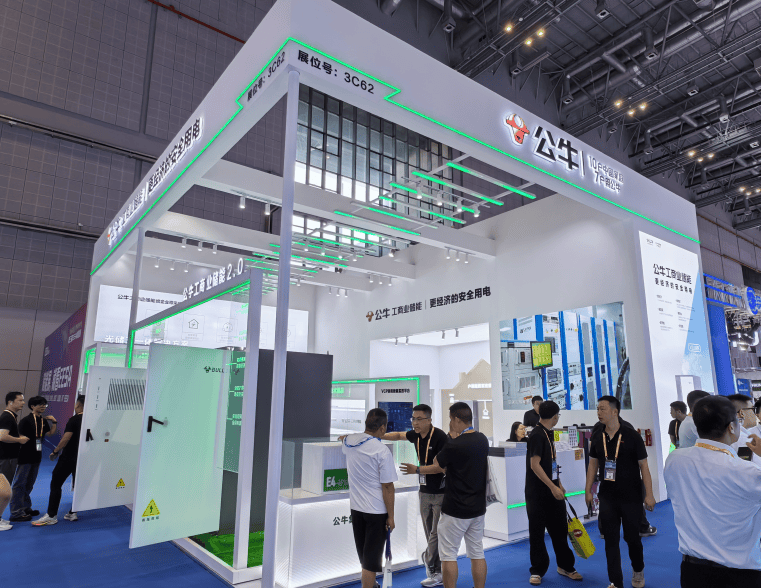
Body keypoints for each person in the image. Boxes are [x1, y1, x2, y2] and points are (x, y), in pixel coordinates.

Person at [664, 395, 761, 587]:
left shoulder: (675, 460)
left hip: (693, 570)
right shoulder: (746, 472)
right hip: (740, 574)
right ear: (732, 427)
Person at [586, 396, 655, 588]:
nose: (599, 413)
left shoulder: (631, 435)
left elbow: (644, 466)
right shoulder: (597, 435)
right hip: (607, 496)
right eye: (597, 409)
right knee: (610, 540)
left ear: (615, 411)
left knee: (632, 538)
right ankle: (615, 581)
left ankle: (638, 570)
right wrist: (588, 489)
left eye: (602, 409)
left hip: (631, 496)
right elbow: (592, 464)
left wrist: (649, 494)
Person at [382, 404, 447, 587]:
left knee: (437, 532)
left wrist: (417, 469)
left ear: (429, 420)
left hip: (441, 492)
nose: (415, 423)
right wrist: (377, 435)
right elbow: (398, 435)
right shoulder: (416, 435)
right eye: (413, 419)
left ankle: (429, 559)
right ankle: (436, 571)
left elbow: (441, 467)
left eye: (419, 419)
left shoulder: (440, 437)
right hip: (424, 492)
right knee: (429, 531)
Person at [433, 402, 489, 588]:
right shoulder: (482, 439)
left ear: (456, 419)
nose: (450, 423)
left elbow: (437, 463)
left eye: (451, 420)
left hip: (455, 509)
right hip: (478, 508)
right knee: (477, 552)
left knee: (448, 555)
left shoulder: (454, 444)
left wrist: (450, 439)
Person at [525, 401, 582, 585]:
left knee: (560, 530)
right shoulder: (537, 435)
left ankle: (565, 566)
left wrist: (559, 484)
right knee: (537, 533)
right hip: (537, 494)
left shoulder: (548, 433)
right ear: (555, 416)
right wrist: (552, 486)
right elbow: (535, 465)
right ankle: (537, 570)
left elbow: (551, 463)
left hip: (553, 490)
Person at [342, 408, 397, 588]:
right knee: (370, 562)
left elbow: (344, 438)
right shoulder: (382, 451)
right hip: (376, 512)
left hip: (356, 510)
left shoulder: (349, 442)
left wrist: (343, 437)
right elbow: (388, 487)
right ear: (382, 427)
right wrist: (391, 516)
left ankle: (372, 585)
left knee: (365, 557)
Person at [592, 415, 656, 538]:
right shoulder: (627, 427)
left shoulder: (598, 427)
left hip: (608, 473)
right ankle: (642, 527)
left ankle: (605, 530)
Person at [33, 395, 85, 526]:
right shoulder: (90, 420)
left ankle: (51, 515)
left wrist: (56, 451)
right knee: (78, 486)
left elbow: (66, 438)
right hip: (84, 458)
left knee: (56, 483)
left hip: (69, 457)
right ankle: (73, 512)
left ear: (78, 405)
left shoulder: (74, 419)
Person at [9, 396, 57, 521]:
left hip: (37, 456)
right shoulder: (26, 420)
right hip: (25, 455)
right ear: (32, 406)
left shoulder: (43, 421)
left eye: (44, 404)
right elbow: (18, 436)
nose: (43, 406)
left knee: (29, 484)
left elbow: (49, 434)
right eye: (40, 404)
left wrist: (54, 423)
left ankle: (26, 507)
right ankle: (16, 512)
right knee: (19, 484)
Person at [0, 391, 29, 530]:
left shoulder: (11, 416)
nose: (23, 403)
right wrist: (19, 440)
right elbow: (2, 436)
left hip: (8, 458)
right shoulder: (7, 417)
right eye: (20, 400)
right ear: (10, 402)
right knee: (3, 491)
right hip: (5, 459)